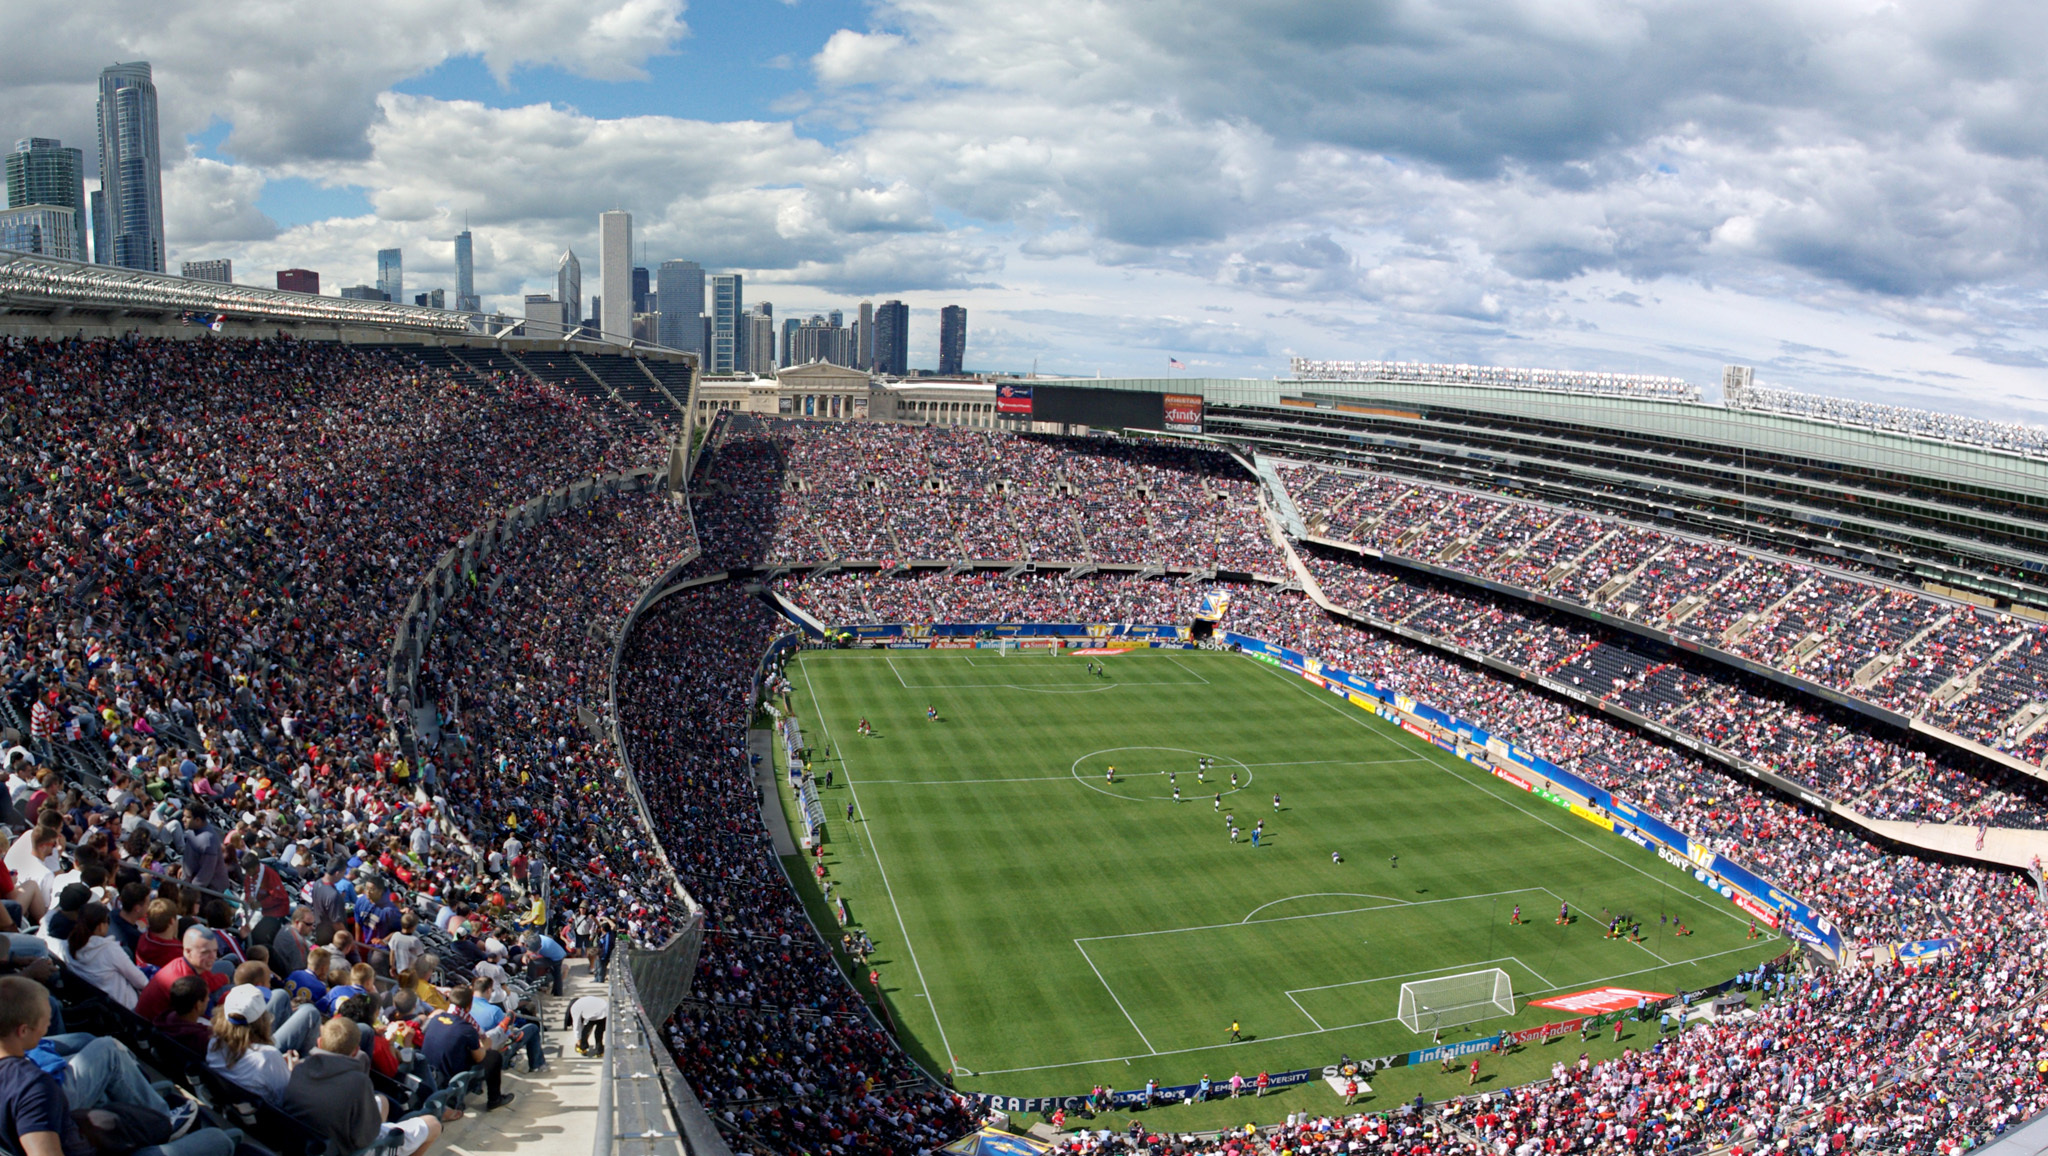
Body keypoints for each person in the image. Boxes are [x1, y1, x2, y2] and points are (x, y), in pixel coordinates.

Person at [0, 976, 230, 1156]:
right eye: (45, 1020)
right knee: (220, 1140)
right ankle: (165, 1124)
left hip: (80, 1132)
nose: (49, 1024)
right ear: (23, 1031)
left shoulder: (21, 1077)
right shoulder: (33, 1087)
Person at [283, 1015, 450, 1156]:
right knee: (433, 1124)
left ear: (319, 1043)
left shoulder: (298, 1069)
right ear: (356, 1051)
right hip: (349, 1150)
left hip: (312, 1142)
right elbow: (366, 1137)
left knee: (382, 1101)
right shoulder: (357, 1082)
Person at [207, 984, 320, 1104]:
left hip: (236, 1098)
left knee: (280, 994)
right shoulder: (268, 1057)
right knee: (310, 1011)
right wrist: (293, 1071)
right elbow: (287, 1098)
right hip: (262, 1113)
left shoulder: (214, 1041)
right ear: (262, 1021)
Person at [422, 990, 515, 1112]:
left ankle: (501, 1031)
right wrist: (485, 1045)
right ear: (469, 1006)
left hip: (429, 1070)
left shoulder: (436, 1018)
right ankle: (494, 1099)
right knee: (494, 1056)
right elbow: (480, 1057)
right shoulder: (467, 1029)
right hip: (451, 1076)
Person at [58, 902, 149, 1010]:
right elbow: (141, 981)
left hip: (97, 1005)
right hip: (124, 1008)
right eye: (107, 921)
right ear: (100, 926)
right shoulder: (109, 949)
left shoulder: (67, 946)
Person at [136, 926, 230, 1021]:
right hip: (160, 1028)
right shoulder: (185, 984)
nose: (213, 957)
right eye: (205, 952)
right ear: (188, 951)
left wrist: (223, 978)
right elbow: (193, 1019)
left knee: (229, 963)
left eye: (215, 951)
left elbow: (206, 980)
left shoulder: (188, 963)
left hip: (181, 1012)